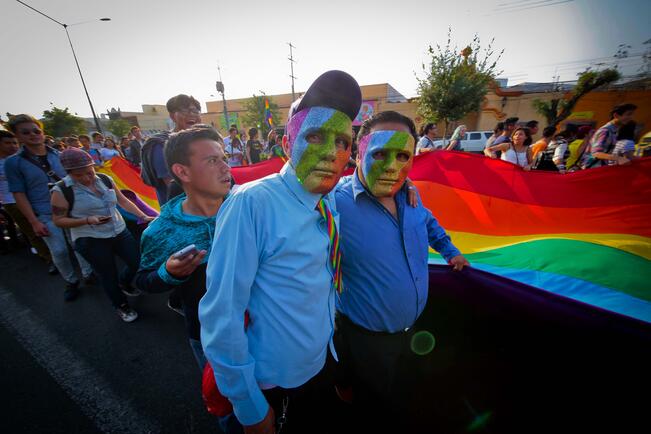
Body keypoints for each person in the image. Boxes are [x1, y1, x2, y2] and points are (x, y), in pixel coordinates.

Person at [199, 70, 362, 434]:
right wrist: (250, 406)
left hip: (322, 362)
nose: (330, 152)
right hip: (277, 382)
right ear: (287, 144)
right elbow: (222, 313)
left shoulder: (328, 197)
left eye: (342, 142)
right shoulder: (251, 204)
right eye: (315, 136)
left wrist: (403, 185)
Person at [334, 111, 469, 431]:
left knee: (407, 401)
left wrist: (451, 251)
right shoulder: (332, 203)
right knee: (374, 411)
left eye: (402, 155)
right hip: (366, 344)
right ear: (358, 153)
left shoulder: (410, 195)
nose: (392, 165)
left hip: (415, 333)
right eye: (380, 153)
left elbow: (430, 225)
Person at [135, 126, 239, 432]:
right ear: (182, 171)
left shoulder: (247, 206)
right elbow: (143, 279)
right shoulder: (162, 230)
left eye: (224, 158)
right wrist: (169, 272)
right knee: (228, 404)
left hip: (262, 323)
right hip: (209, 335)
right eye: (212, 161)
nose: (225, 167)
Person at [50, 148, 152, 320]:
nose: (86, 178)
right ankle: (121, 305)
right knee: (107, 275)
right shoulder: (61, 190)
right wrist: (88, 220)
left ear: (93, 165)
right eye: (79, 175)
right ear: (69, 173)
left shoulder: (105, 179)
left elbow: (123, 201)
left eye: (89, 172)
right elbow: (58, 220)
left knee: (137, 262)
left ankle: (125, 282)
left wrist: (142, 215)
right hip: (90, 239)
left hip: (119, 230)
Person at [4, 114, 94, 301]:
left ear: (42, 132)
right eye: (26, 132)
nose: (33, 135)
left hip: (72, 210)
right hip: (45, 213)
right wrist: (34, 221)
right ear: (17, 136)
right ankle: (71, 281)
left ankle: (88, 274)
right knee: (59, 250)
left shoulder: (61, 156)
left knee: (79, 245)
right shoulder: (13, 163)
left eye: (36, 131)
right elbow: (18, 194)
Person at [1, 130, 52, 266]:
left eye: (14, 143)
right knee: (33, 231)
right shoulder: (10, 163)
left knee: (49, 230)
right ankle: (48, 258)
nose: (12, 146)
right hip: (11, 202)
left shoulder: (28, 159)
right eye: (7, 143)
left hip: (36, 200)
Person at [141, 94, 202, 206]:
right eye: (185, 111)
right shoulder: (161, 144)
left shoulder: (201, 141)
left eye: (195, 111)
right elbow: (173, 186)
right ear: (173, 116)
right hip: (179, 210)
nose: (192, 115)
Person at [582, 103, 637, 169]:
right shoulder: (605, 131)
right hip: (593, 169)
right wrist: (618, 158)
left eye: (632, 114)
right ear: (616, 115)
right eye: (628, 114)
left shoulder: (614, 131)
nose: (631, 117)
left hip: (600, 168)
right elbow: (596, 153)